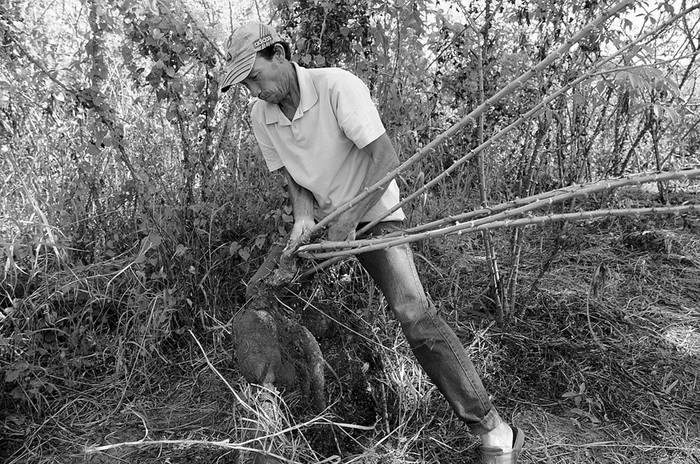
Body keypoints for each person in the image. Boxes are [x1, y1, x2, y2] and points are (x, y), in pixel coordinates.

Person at [220, 21, 525, 464]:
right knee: (261, 298)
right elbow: (292, 177)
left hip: (376, 216)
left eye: (255, 75)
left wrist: (350, 218)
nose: (253, 89)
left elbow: (384, 158)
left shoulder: (337, 86)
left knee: (413, 312)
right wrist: (305, 219)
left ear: (280, 54)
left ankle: (493, 430)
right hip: (324, 225)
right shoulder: (260, 116)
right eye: (244, 82)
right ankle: (275, 434)